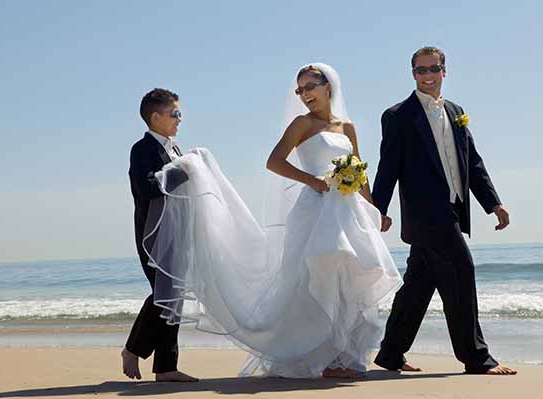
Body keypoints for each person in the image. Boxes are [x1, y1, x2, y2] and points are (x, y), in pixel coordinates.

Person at [144, 64, 402, 379]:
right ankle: (320, 357)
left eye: (310, 86)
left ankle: (342, 357)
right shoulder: (301, 124)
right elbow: (274, 161)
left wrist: (375, 212)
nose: (305, 94)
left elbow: (359, 173)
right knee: (316, 282)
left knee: (348, 283)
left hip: (348, 213)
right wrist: (312, 180)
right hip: (317, 210)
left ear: (328, 86)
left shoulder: (347, 127)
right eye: (300, 89)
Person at [371, 47, 517, 375]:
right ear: (413, 74)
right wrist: (377, 209)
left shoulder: (456, 111)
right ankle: (476, 358)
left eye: (433, 69)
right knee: (462, 270)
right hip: (425, 213)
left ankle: (391, 354)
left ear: (444, 70)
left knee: (418, 286)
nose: (427, 75)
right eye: (420, 70)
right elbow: (388, 166)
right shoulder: (397, 115)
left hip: (453, 209)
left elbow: (472, 162)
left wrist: (493, 202)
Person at [122, 88, 197, 382]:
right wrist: (185, 169)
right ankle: (132, 350)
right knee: (162, 295)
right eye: (175, 113)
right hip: (152, 237)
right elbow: (147, 187)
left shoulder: (175, 148)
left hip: (177, 233)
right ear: (156, 116)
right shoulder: (142, 149)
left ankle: (166, 367)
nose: (180, 119)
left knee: (174, 296)